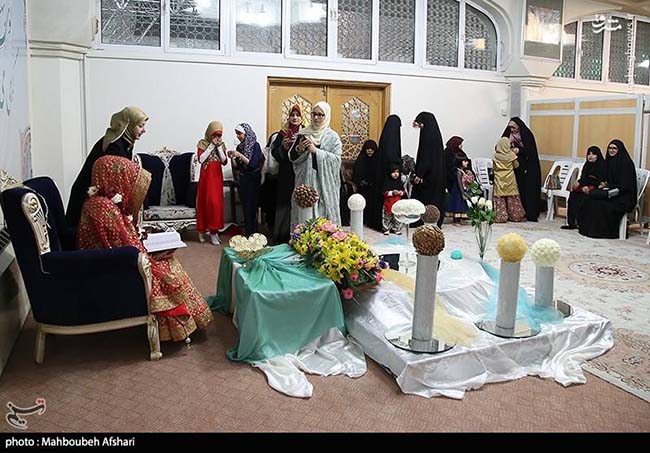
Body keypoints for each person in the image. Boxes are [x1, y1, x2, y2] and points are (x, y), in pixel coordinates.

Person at [77, 155, 213, 343]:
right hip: (117, 270)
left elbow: (122, 242)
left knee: (169, 261)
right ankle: (176, 326)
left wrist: (146, 246)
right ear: (115, 177)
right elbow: (123, 249)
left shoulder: (103, 203)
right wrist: (151, 256)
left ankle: (188, 321)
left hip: (116, 260)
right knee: (168, 269)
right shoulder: (103, 208)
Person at [67, 106, 148, 229]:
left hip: (99, 194)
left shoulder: (126, 142)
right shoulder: (114, 145)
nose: (144, 130)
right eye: (140, 126)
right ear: (128, 125)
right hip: (87, 195)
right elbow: (116, 180)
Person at [290, 101, 342, 226]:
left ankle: (326, 236)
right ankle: (303, 237)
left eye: (320, 115)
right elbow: (292, 157)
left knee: (323, 217)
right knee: (304, 216)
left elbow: (336, 160)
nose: (316, 118)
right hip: (305, 182)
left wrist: (316, 151)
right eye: (314, 114)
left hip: (324, 184)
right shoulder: (303, 134)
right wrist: (299, 149)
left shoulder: (332, 137)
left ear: (326, 116)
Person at [578, 139, 637, 239]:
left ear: (619, 149)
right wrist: (604, 185)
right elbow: (606, 179)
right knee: (591, 199)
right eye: (610, 148)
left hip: (624, 197)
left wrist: (608, 190)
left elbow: (625, 186)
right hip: (612, 192)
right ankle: (588, 230)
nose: (611, 150)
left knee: (601, 204)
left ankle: (606, 232)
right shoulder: (609, 162)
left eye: (614, 148)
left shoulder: (626, 164)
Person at [272, 105, 304, 243]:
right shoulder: (282, 134)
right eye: (292, 115)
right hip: (286, 174)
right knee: (284, 204)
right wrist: (283, 148)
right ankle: (282, 237)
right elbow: (275, 154)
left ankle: (300, 237)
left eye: (298, 115)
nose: (295, 118)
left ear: (302, 118)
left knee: (300, 202)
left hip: (302, 173)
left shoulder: (306, 133)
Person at [502, 117, 542, 221]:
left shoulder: (526, 135)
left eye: (514, 127)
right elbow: (500, 146)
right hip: (513, 167)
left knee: (527, 189)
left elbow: (530, 151)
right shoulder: (508, 134)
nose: (512, 130)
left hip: (528, 166)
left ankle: (529, 212)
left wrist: (519, 150)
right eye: (510, 128)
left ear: (519, 127)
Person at [411, 112, 446, 227]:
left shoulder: (427, 137)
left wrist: (420, 174)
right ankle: (434, 220)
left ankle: (423, 220)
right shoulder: (436, 136)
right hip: (437, 175)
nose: (421, 128)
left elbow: (426, 158)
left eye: (421, 125)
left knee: (425, 199)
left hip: (427, 176)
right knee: (435, 198)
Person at [196, 121, 228, 245]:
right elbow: (201, 159)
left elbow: (224, 161)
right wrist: (210, 146)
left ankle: (214, 231)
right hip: (206, 179)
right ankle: (202, 230)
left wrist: (219, 147)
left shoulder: (221, 145)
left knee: (216, 204)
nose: (217, 138)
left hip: (217, 179)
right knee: (206, 203)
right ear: (209, 134)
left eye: (219, 135)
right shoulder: (202, 143)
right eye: (214, 135)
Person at [230, 123, 263, 236]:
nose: (238, 136)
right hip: (243, 179)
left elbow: (253, 164)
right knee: (245, 206)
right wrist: (233, 158)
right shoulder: (240, 147)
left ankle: (253, 232)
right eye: (237, 134)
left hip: (253, 179)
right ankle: (248, 232)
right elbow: (237, 166)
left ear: (246, 133)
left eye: (240, 134)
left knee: (252, 206)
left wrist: (240, 156)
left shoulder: (255, 146)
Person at [561, 146, 605, 230]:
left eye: (593, 154)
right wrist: (580, 183)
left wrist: (586, 186)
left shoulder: (602, 165)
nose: (590, 156)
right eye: (589, 154)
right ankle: (571, 223)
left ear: (598, 156)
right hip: (585, 186)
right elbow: (583, 177)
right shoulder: (587, 165)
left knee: (583, 198)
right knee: (573, 195)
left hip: (596, 188)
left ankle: (582, 224)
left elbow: (600, 180)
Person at [493, 137, 526, 223]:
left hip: (499, 179)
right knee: (512, 197)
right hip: (510, 179)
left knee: (500, 197)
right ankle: (515, 216)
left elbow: (494, 168)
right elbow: (516, 166)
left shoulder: (495, 156)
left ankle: (500, 217)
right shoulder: (511, 155)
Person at [353, 140, 383, 231]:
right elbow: (357, 176)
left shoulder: (377, 161)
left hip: (374, 186)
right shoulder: (361, 160)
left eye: (372, 149)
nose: (370, 151)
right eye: (368, 149)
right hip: (363, 187)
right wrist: (363, 182)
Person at [382, 164, 405, 235]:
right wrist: (392, 193)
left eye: (397, 172)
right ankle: (386, 228)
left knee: (397, 217)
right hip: (389, 203)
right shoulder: (387, 182)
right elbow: (384, 192)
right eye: (393, 172)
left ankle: (396, 229)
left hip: (397, 204)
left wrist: (401, 192)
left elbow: (403, 191)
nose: (396, 174)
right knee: (387, 217)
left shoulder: (399, 182)